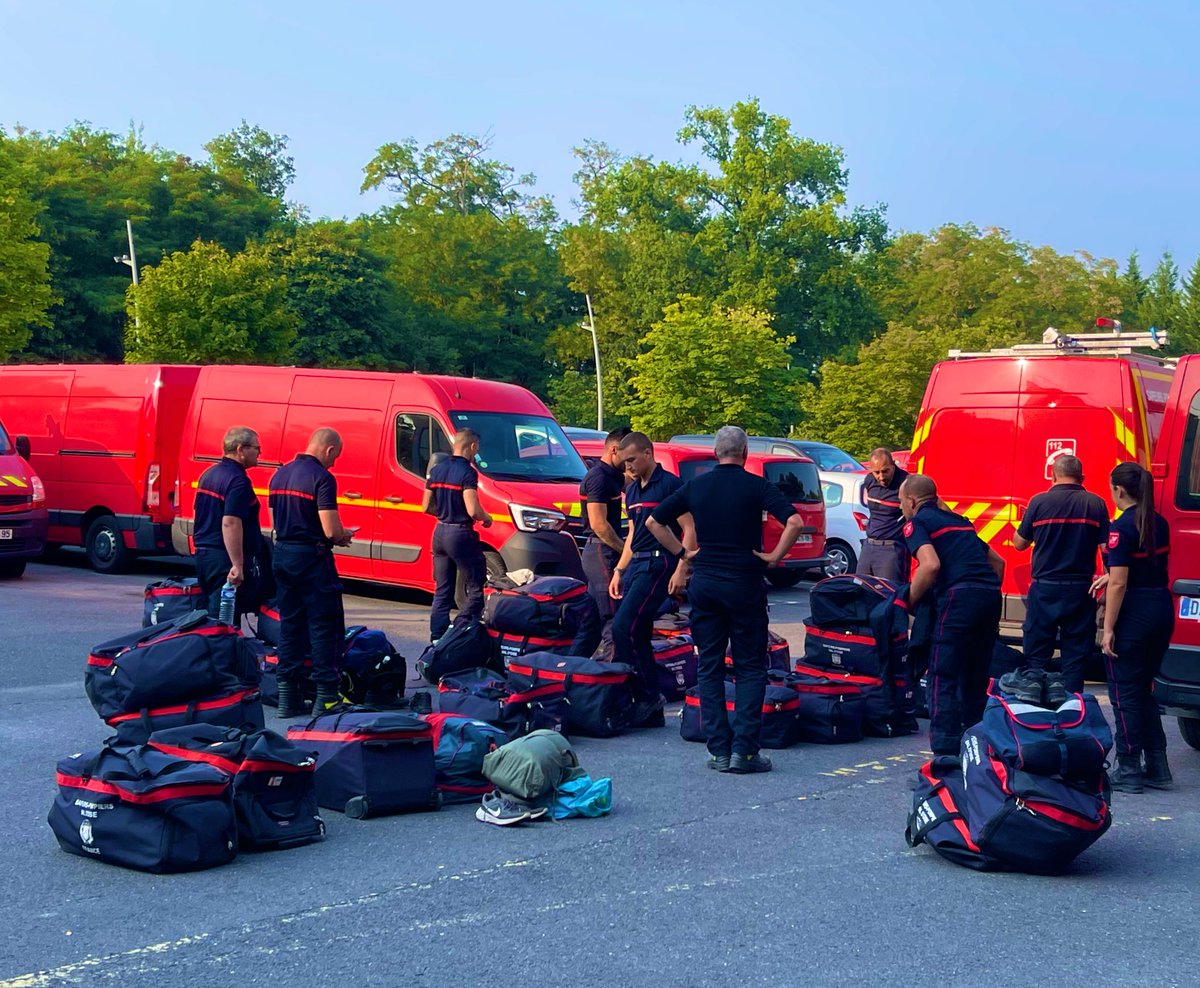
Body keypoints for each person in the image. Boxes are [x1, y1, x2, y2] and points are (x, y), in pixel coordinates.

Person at [648, 426, 804, 773]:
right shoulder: (757, 486)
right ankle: (745, 752)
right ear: (745, 452)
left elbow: (654, 521)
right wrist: (775, 555)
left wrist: (685, 554)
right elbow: (793, 521)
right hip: (744, 583)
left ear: (716, 452)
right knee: (750, 668)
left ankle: (718, 750)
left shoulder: (697, 486)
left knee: (709, 665)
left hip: (705, 583)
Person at [900, 474, 1004, 755]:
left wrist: (907, 601)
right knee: (975, 675)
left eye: (901, 503)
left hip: (958, 598)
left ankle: (945, 756)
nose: (901, 509)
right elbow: (998, 562)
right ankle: (977, 751)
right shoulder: (960, 522)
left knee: (942, 674)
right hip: (989, 597)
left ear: (911, 501)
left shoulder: (917, 524)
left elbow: (930, 565)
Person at [1090, 462, 1174, 793]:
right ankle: (1157, 765)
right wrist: (1114, 575)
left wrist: (1108, 629)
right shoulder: (1160, 522)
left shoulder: (1120, 528)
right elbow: (1145, 565)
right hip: (1159, 608)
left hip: (1135, 613)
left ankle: (1128, 768)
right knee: (1144, 690)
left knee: (1124, 693)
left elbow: (1120, 584)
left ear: (1119, 491)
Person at [608, 432, 695, 726]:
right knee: (638, 631)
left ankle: (644, 697)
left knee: (623, 627)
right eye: (624, 461)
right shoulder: (631, 491)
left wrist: (683, 566)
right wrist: (620, 571)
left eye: (632, 459)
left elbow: (689, 528)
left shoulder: (670, 484)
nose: (628, 466)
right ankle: (649, 706)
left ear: (648, 453)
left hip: (660, 562)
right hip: (637, 564)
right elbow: (632, 535)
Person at [268, 428, 354, 718]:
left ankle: (287, 697)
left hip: (282, 554)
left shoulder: (279, 475)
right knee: (324, 626)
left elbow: (276, 520)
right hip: (312, 558)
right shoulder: (322, 478)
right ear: (329, 449)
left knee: (290, 626)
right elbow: (330, 529)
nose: (335, 463)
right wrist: (343, 536)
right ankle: (326, 698)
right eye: (336, 457)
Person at [1012, 454, 1108, 693]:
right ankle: (1072, 711)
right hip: (1081, 589)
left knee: (1036, 657)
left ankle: (1037, 712)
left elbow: (1019, 544)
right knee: (1075, 658)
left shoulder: (1038, 503)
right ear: (1082, 477)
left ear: (1053, 475)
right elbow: (1107, 550)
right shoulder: (1096, 504)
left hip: (1045, 588)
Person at [423, 428, 492, 642]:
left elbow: (426, 506)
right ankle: (462, 631)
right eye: (476, 448)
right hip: (460, 533)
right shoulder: (468, 472)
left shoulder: (437, 470)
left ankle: (437, 638)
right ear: (472, 446)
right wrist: (486, 517)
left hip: (440, 531)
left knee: (442, 590)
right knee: (475, 585)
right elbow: (472, 509)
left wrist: (445, 511)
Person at [193, 426, 263, 624]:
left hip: (204, 555)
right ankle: (218, 654)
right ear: (240, 449)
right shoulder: (238, 481)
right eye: (256, 448)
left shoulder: (209, 474)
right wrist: (237, 565)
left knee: (209, 614)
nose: (259, 453)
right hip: (223, 559)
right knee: (222, 620)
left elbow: (200, 514)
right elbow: (231, 523)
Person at [579, 426, 631, 658]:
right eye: (627, 456)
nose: (629, 462)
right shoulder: (598, 478)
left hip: (604, 551)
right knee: (614, 617)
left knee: (591, 623)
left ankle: (568, 669)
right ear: (613, 450)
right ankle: (611, 678)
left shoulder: (613, 476)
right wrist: (623, 550)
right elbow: (599, 525)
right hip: (601, 551)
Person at [857, 448, 909, 584]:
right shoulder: (869, 481)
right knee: (860, 592)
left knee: (889, 596)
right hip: (868, 546)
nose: (881, 477)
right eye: (877, 472)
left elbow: (933, 503)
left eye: (886, 471)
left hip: (892, 549)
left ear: (893, 465)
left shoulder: (906, 483)